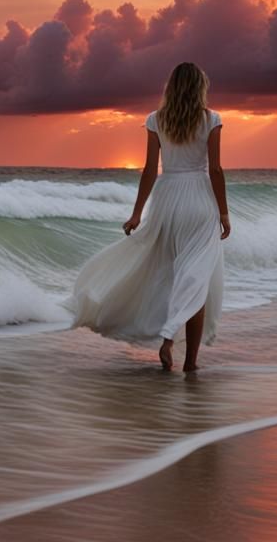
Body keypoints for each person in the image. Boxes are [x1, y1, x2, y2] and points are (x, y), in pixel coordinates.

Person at [67, 62, 230, 372]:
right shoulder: (212, 119)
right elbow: (216, 170)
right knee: (196, 280)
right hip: (199, 201)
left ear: (172, 86)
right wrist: (223, 212)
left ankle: (166, 337)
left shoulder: (157, 120)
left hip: (167, 200)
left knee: (168, 276)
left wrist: (137, 213)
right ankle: (187, 359)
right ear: (200, 88)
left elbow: (149, 170)